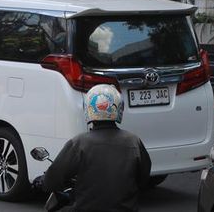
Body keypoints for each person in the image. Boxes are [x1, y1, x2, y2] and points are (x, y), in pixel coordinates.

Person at [38, 84, 151, 212]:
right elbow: (143, 178)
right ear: (119, 108)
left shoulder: (79, 143)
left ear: (88, 108)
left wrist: (42, 181)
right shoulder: (134, 141)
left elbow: (53, 179)